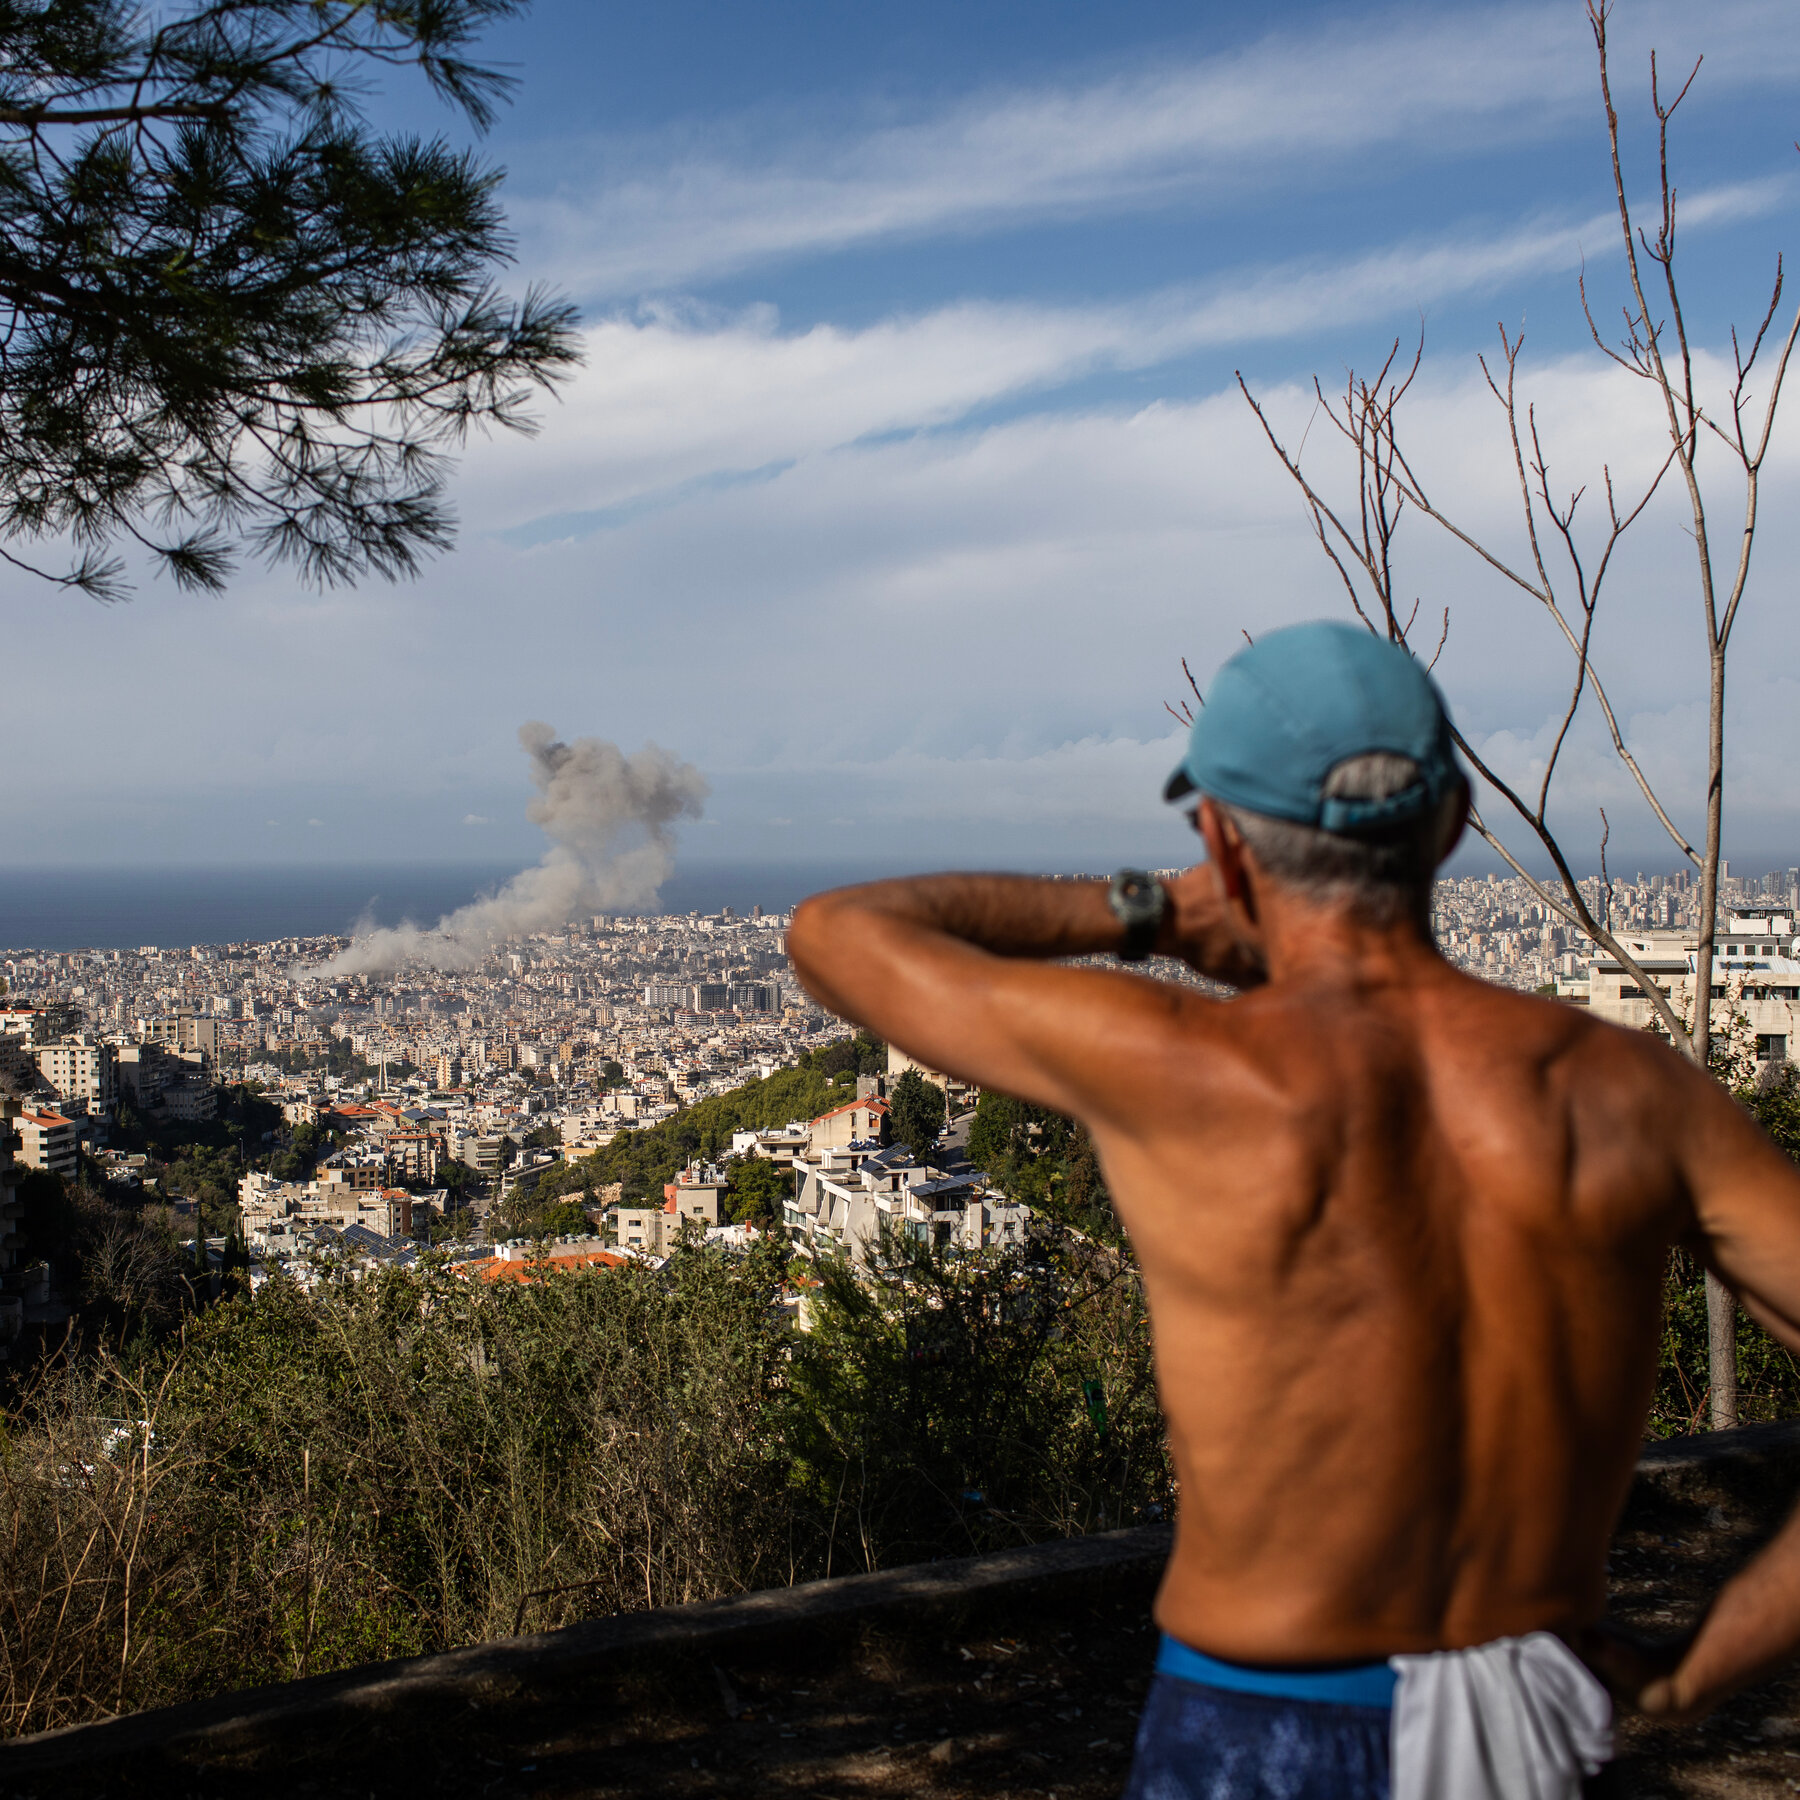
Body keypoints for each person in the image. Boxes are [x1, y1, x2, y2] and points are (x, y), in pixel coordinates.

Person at [785, 620, 1800, 1800]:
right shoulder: (1633, 1094)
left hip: (1262, 1723)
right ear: (1455, 821)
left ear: (1220, 834)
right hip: (1539, 1720)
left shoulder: (1184, 1066)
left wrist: (1155, 908)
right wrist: (1697, 1673)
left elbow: (833, 936)